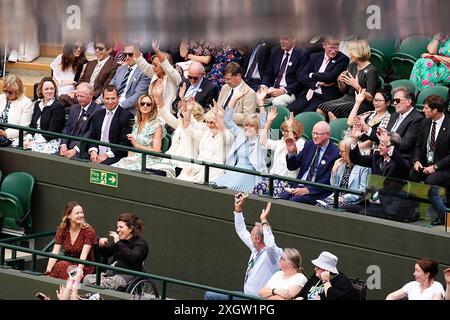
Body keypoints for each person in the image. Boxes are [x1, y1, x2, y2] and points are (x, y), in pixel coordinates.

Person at [204, 193, 282, 299]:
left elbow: (271, 245)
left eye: (252, 235)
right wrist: (238, 209)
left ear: (258, 239)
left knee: (210, 296)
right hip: (246, 296)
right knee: (212, 295)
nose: (249, 236)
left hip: (257, 300)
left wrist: (264, 221)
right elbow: (241, 230)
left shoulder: (271, 255)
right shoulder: (256, 249)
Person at [252, 89, 306, 197]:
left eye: (287, 132)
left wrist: (290, 128)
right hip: (272, 178)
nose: (284, 134)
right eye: (283, 131)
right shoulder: (280, 142)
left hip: (287, 182)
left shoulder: (301, 144)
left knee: (271, 196)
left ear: (295, 133)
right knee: (257, 189)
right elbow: (263, 142)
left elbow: (292, 149)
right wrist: (269, 122)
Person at [213, 88, 268, 192]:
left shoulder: (260, 139)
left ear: (257, 129)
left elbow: (263, 123)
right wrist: (235, 98)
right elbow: (228, 120)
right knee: (215, 185)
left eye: (251, 126)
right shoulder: (241, 134)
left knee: (231, 189)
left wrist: (260, 101)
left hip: (251, 174)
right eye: (246, 125)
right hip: (236, 170)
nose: (247, 128)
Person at [410, 95, 450, 226]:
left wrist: (435, 167)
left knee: (431, 180)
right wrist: (416, 161)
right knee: (412, 174)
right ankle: (413, 210)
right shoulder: (425, 122)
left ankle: (443, 214)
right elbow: (417, 145)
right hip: (425, 163)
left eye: (426, 108)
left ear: (435, 110)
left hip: (444, 167)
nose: (424, 110)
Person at [279, 121, 340, 204]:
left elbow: (328, 180)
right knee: (280, 198)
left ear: (327, 135)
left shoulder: (335, 152)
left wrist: (307, 190)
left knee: (293, 201)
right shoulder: (309, 144)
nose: (315, 136)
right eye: (313, 133)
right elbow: (292, 166)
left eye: (318, 134)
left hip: (316, 191)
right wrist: (291, 153)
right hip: (299, 185)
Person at [317, 39, 379, 121]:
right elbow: (344, 91)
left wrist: (356, 86)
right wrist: (340, 81)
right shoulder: (352, 66)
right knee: (320, 108)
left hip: (362, 103)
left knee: (332, 112)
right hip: (347, 98)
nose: (349, 54)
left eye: (351, 51)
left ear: (357, 52)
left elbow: (370, 98)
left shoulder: (371, 70)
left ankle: (336, 132)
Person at [83, 213, 149, 290]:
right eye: (117, 227)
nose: (117, 230)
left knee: (102, 284)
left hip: (128, 275)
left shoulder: (141, 244)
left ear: (130, 228)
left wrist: (118, 243)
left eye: (121, 227)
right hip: (111, 273)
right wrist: (102, 246)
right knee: (87, 279)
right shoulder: (121, 241)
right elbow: (106, 254)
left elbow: (132, 257)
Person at [360, 86, 423, 165]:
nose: (395, 103)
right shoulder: (394, 115)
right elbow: (382, 138)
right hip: (385, 155)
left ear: (408, 102)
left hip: (400, 158)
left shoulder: (417, 119)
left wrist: (387, 141)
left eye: (397, 100)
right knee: (356, 158)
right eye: (394, 100)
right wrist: (366, 128)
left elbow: (405, 144)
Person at [289, 37, 349, 115]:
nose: (334, 51)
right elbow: (302, 76)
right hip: (309, 92)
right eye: (331, 48)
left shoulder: (342, 59)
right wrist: (316, 83)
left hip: (324, 96)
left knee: (305, 115)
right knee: (290, 110)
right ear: (324, 46)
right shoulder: (314, 56)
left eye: (336, 48)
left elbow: (330, 77)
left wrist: (311, 74)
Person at [44, 201, 97, 280]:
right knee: (61, 265)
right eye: (77, 213)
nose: (81, 215)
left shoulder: (88, 231)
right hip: (68, 263)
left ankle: (65, 290)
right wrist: (48, 271)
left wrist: (78, 273)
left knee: (62, 265)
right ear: (68, 215)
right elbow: (54, 253)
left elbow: (84, 256)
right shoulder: (62, 230)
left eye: (81, 212)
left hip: (83, 266)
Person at [112, 94, 165, 171]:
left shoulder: (157, 125)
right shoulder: (136, 122)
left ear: (152, 107)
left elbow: (156, 151)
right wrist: (129, 157)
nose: (145, 106)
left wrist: (137, 145)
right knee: (113, 168)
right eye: (142, 103)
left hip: (148, 160)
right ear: (138, 106)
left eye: (148, 104)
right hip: (133, 158)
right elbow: (132, 146)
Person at [97, 43, 151, 115]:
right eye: (125, 55)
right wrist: (98, 101)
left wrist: (117, 106)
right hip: (112, 104)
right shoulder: (120, 69)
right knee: (92, 111)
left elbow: (138, 96)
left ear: (139, 54)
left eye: (130, 54)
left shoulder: (145, 72)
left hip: (129, 109)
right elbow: (110, 88)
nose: (127, 57)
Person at [316, 138, 369, 208]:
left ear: (349, 152)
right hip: (336, 198)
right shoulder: (341, 164)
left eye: (342, 151)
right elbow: (334, 187)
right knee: (318, 206)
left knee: (329, 208)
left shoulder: (363, 166)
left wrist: (343, 198)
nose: (339, 154)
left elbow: (362, 191)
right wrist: (334, 171)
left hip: (352, 201)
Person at [87, 85, 134, 165]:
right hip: (96, 154)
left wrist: (106, 155)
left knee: (102, 166)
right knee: (77, 160)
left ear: (118, 98)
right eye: (107, 98)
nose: (110, 102)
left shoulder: (126, 116)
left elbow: (125, 143)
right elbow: (92, 136)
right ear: (103, 98)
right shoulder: (98, 114)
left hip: (114, 155)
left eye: (113, 98)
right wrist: (93, 151)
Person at [260, 34, 309, 108]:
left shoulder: (302, 54)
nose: (281, 42)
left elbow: (300, 80)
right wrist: (263, 86)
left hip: (290, 91)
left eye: (285, 39)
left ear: (294, 39)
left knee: (277, 102)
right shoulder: (275, 51)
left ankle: (282, 119)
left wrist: (284, 90)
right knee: (256, 98)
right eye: (280, 39)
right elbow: (268, 72)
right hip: (273, 88)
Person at [134, 40, 182, 112]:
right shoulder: (155, 74)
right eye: (152, 64)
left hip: (167, 116)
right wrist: (134, 44)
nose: (153, 67)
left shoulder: (174, 77)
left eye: (156, 65)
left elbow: (167, 66)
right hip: (152, 113)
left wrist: (157, 51)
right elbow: (140, 61)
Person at [59, 83, 102, 159]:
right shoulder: (74, 108)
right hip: (68, 146)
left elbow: (90, 133)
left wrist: (75, 150)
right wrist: (63, 144)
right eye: (77, 96)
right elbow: (67, 128)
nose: (79, 99)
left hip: (83, 149)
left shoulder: (98, 111)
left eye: (82, 96)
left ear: (91, 95)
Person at [24, 77, 65, 154]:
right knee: (18, 145)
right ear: (41, 91)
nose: (49, 91)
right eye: (46, 89)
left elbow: (52, 132)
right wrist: (28, 139)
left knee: (30, 150)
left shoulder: (58, 107)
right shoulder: (37, 104)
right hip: (35, 137)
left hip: (49, 140)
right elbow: (32, 125)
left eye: (52, 89)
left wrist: (34, 142)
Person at [348, 86, 391, 154]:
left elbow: (374, 140)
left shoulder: (389, 119)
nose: (376, 103)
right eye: (375, 100)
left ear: (387, 103)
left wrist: (353, 148)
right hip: (355, 145)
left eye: (379, 101)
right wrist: (357, 103)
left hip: (367, 152)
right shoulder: (369, 114)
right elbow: (350, 122)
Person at [0, 74, 33, 144]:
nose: (7, 94)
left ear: (18, 91)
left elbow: (24, 128)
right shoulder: (1, 97)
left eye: (10, 92)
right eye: (5, 91)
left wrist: (5, 133)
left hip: (12, 138)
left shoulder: (26, 103)